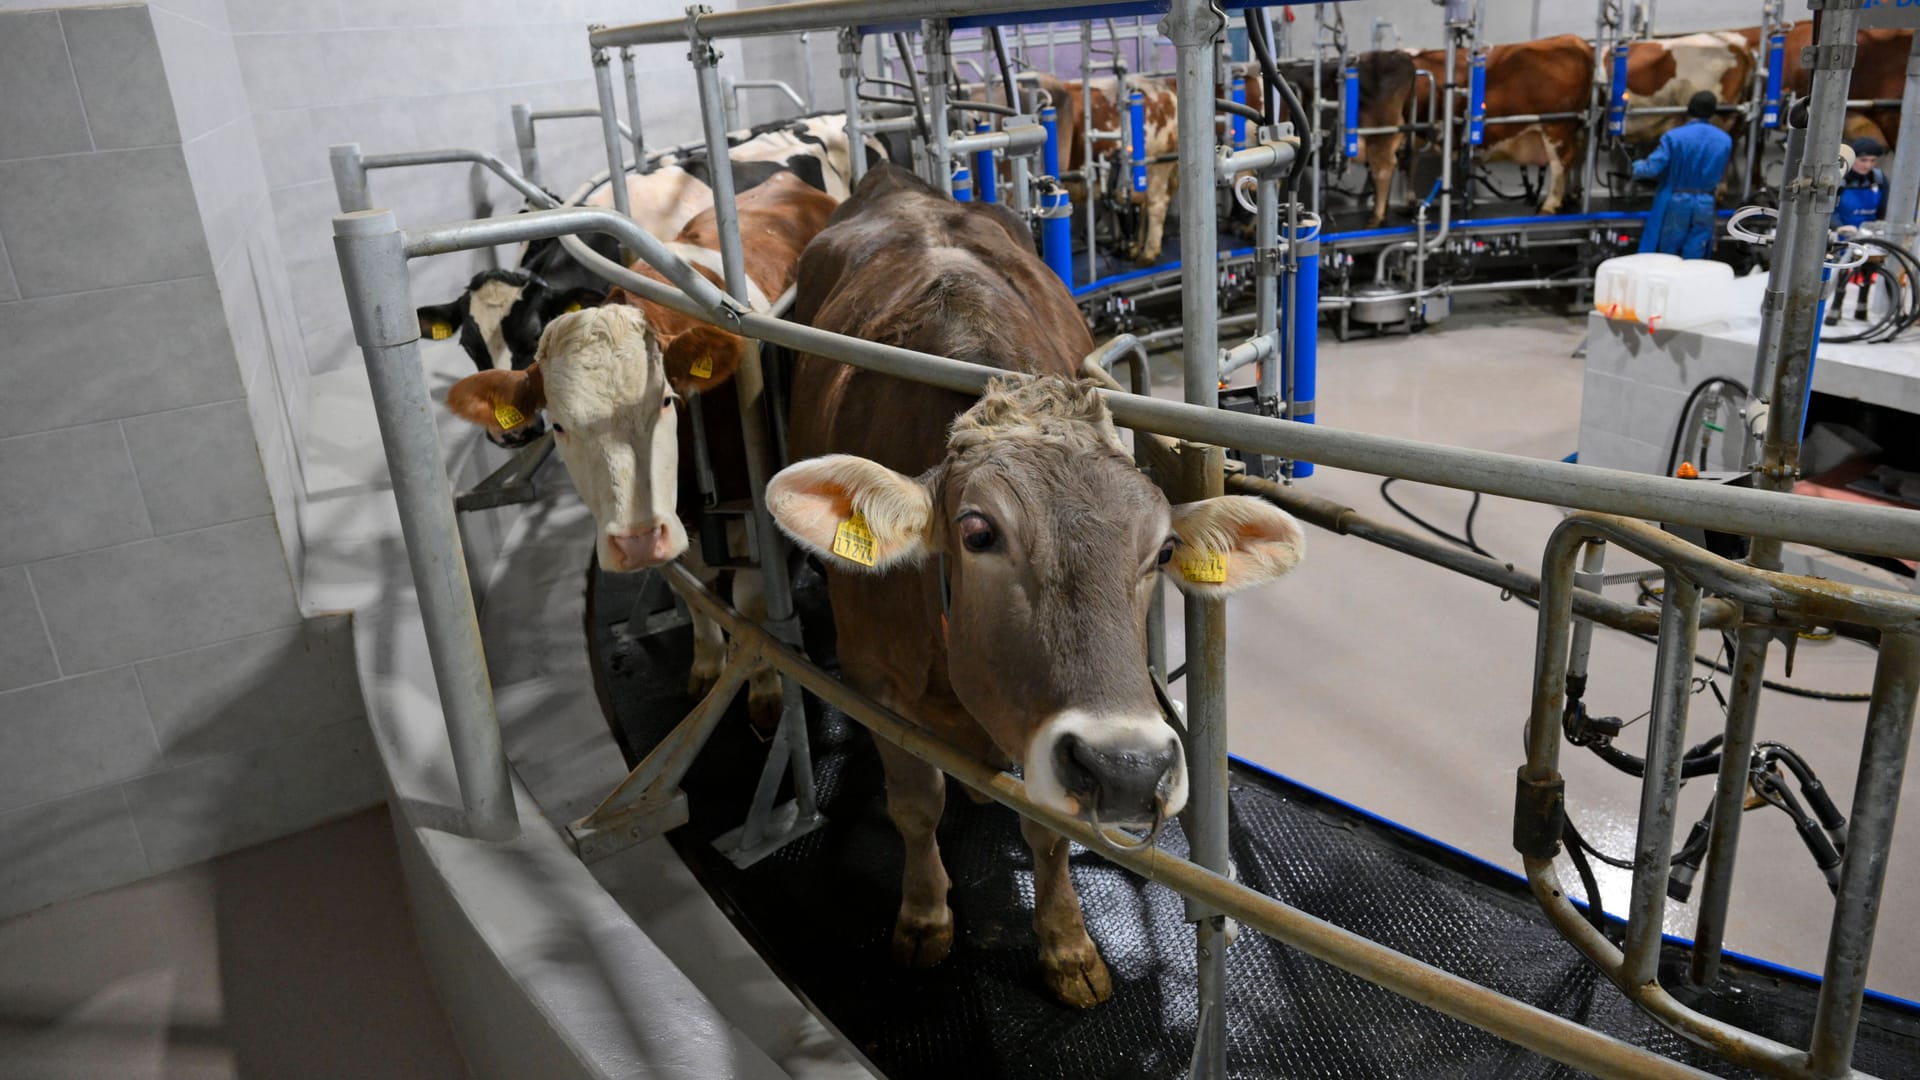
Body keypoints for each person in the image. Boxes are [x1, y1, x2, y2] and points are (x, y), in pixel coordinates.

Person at [1631, 91, 1734, 257]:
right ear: (1712, 112)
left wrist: (1635, 166)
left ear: (1689, 109)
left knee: (1668, 255)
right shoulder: (1724, 140)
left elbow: (1652, 169)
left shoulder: (1674, 137)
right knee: (1696, 255)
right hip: (1705, 203)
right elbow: (1723, 172)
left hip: (1676, 202)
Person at [1834, 136, 1888, 229]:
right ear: (1853, 159)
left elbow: (1885, 207)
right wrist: (1837, 227)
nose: (1868, 165)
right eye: (1863, 160)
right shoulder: (1840, 178)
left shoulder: (1878, 178)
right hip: (1840, 235)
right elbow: (1826, 210)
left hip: (1869, 236)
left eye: (1873, 160)